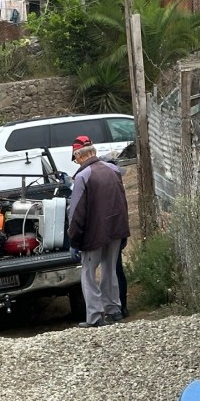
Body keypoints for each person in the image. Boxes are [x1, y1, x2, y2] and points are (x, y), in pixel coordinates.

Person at [68, 135, 130, 327]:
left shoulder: (82, 176)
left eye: (75, 158)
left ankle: (94, 317)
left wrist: (74, 240)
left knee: (88, 273)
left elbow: (76, 211)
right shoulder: (113, 169)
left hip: (92, 234)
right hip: (115, 230)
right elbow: (123, 202)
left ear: (79, 156)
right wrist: (123, 232)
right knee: (110, 270)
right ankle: (114, 310)